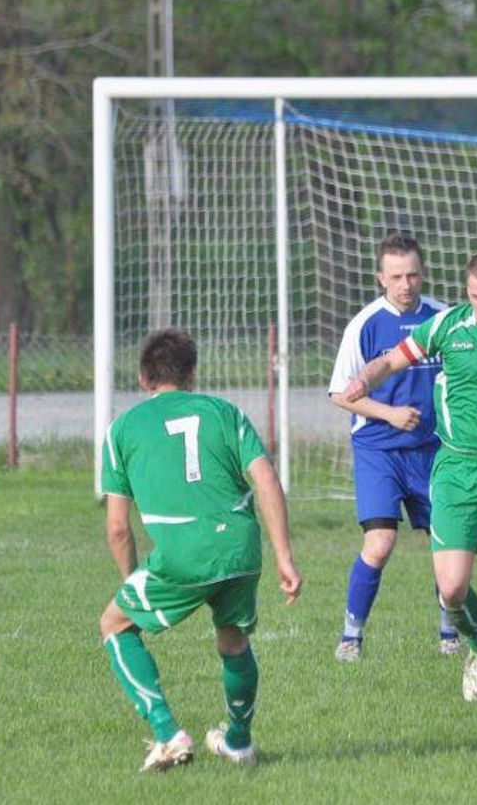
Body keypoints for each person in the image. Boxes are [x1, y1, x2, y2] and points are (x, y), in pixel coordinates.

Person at [336, 251, 477, 700]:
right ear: (467, 293)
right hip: (457, 470)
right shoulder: (448, 327)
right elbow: (392, 360)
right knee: (453, 588)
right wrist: (366, 379)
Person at [99, 328, 302, 771]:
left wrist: (131, 579)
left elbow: (118, 528)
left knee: (115, 624)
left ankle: (167, 733)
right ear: (192, 374)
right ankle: (239, 743)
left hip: (184, 552)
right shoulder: (224, 412)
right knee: (232, 639)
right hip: (240, 546)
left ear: (142, 378)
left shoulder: (121, 429)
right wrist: (285, 555)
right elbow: (266, 478)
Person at [327, 233, 461, 661]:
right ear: (381, 277)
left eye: (413, 275)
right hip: (379, 448)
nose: (407, 284)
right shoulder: (365, 325)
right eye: (397, 276)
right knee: (380, 544)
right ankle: (351, 637)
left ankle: (450, 635)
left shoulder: (443, 319)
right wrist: (389, 413)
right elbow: (339, 394)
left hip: (434, 451)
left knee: (448, 543)